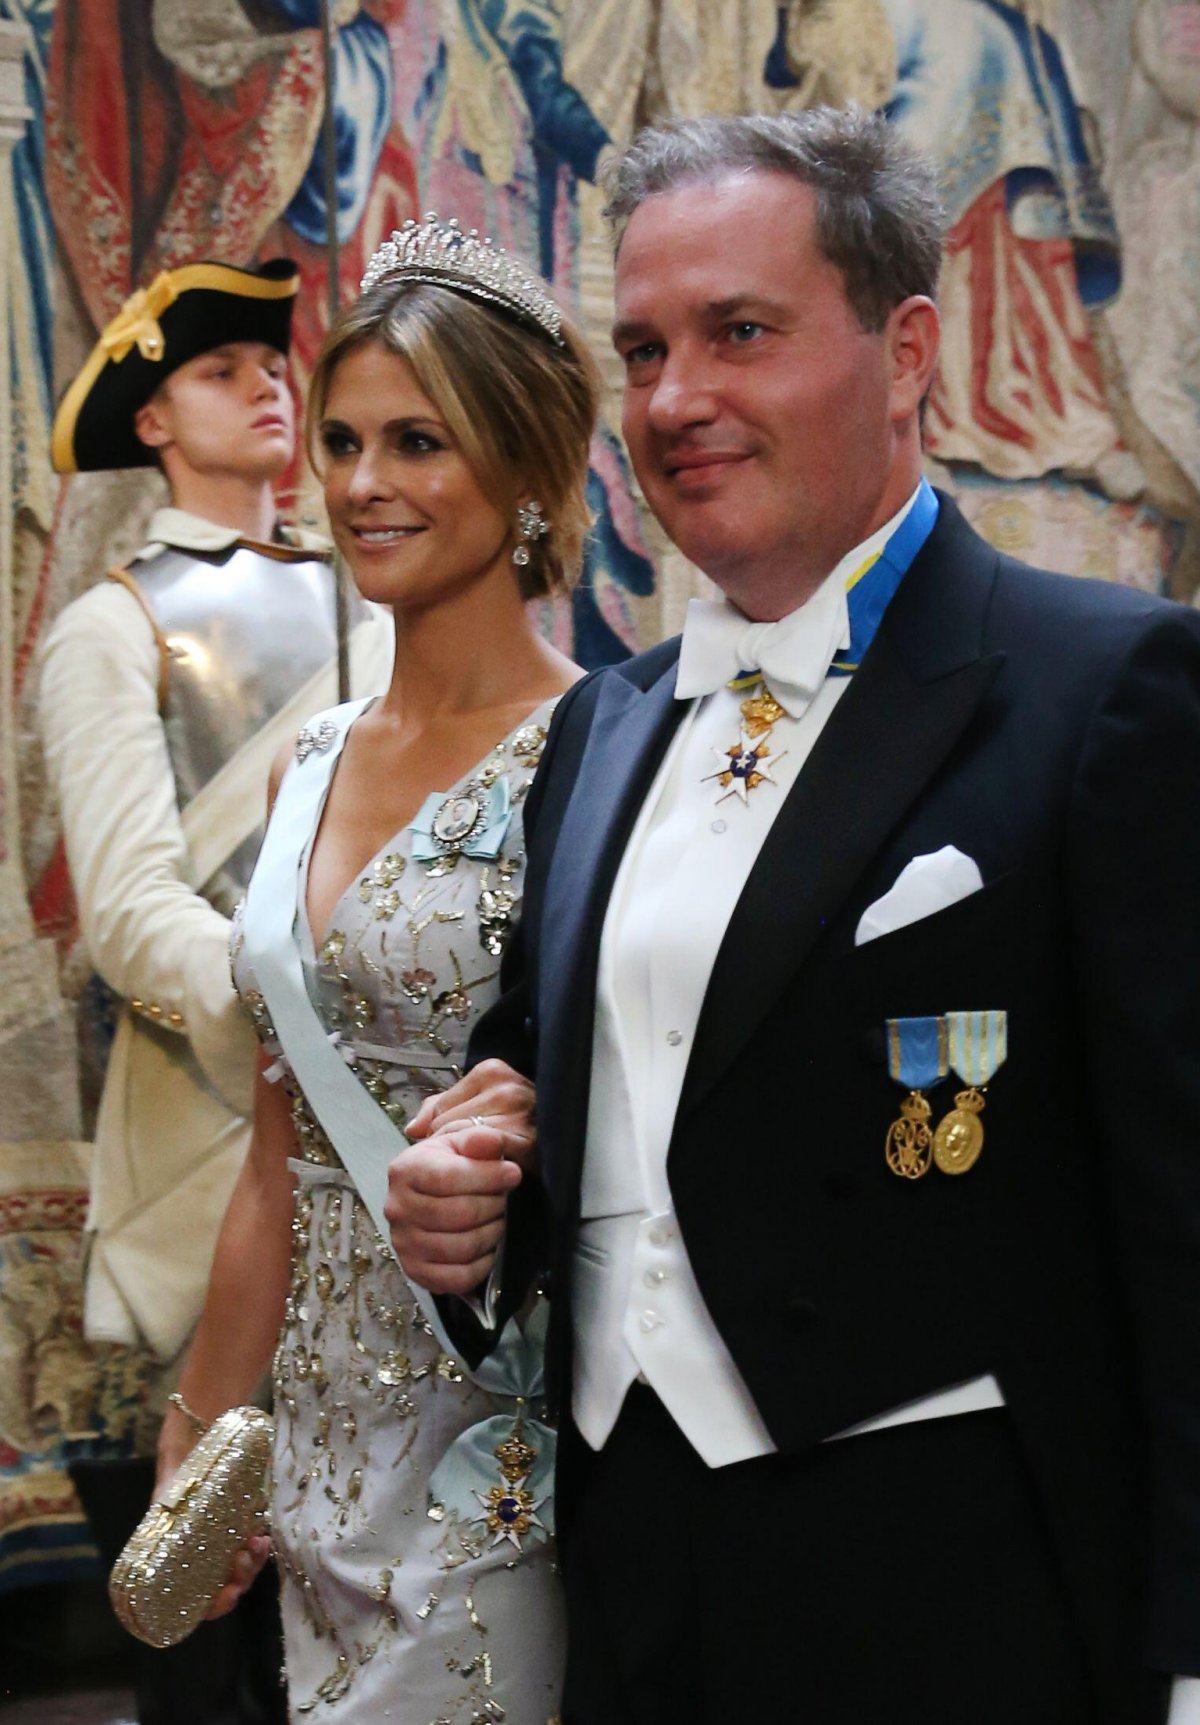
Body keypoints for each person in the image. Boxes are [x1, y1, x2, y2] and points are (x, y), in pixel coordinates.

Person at [387, 108, 1200, 1725]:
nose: (676, 400)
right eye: (643, 349)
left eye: (739, 334)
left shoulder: (1109, 689)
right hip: (632, 1563)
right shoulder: (602, 728)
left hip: (961, 1579)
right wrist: (470, 1196)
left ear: (906, 350)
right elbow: (554, 1085)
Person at [158, 216, 599, 1721]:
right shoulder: (312, 757)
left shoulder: (605, 755)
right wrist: (203, 1420)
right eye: (340, 441)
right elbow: (278, 1148)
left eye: (417, 440)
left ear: (528, 466)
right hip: (311, 1449)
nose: (359, 484)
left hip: (506, 1442)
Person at [40, 259, 391, 1725]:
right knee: (213, 1605)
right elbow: (128, 909)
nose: (265, 384)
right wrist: (297, 1020)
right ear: (155, 420)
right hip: (209, 1132)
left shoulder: (371, 599)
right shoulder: (111, 629)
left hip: (385, 1130)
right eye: (218, 367)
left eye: (272, 359)